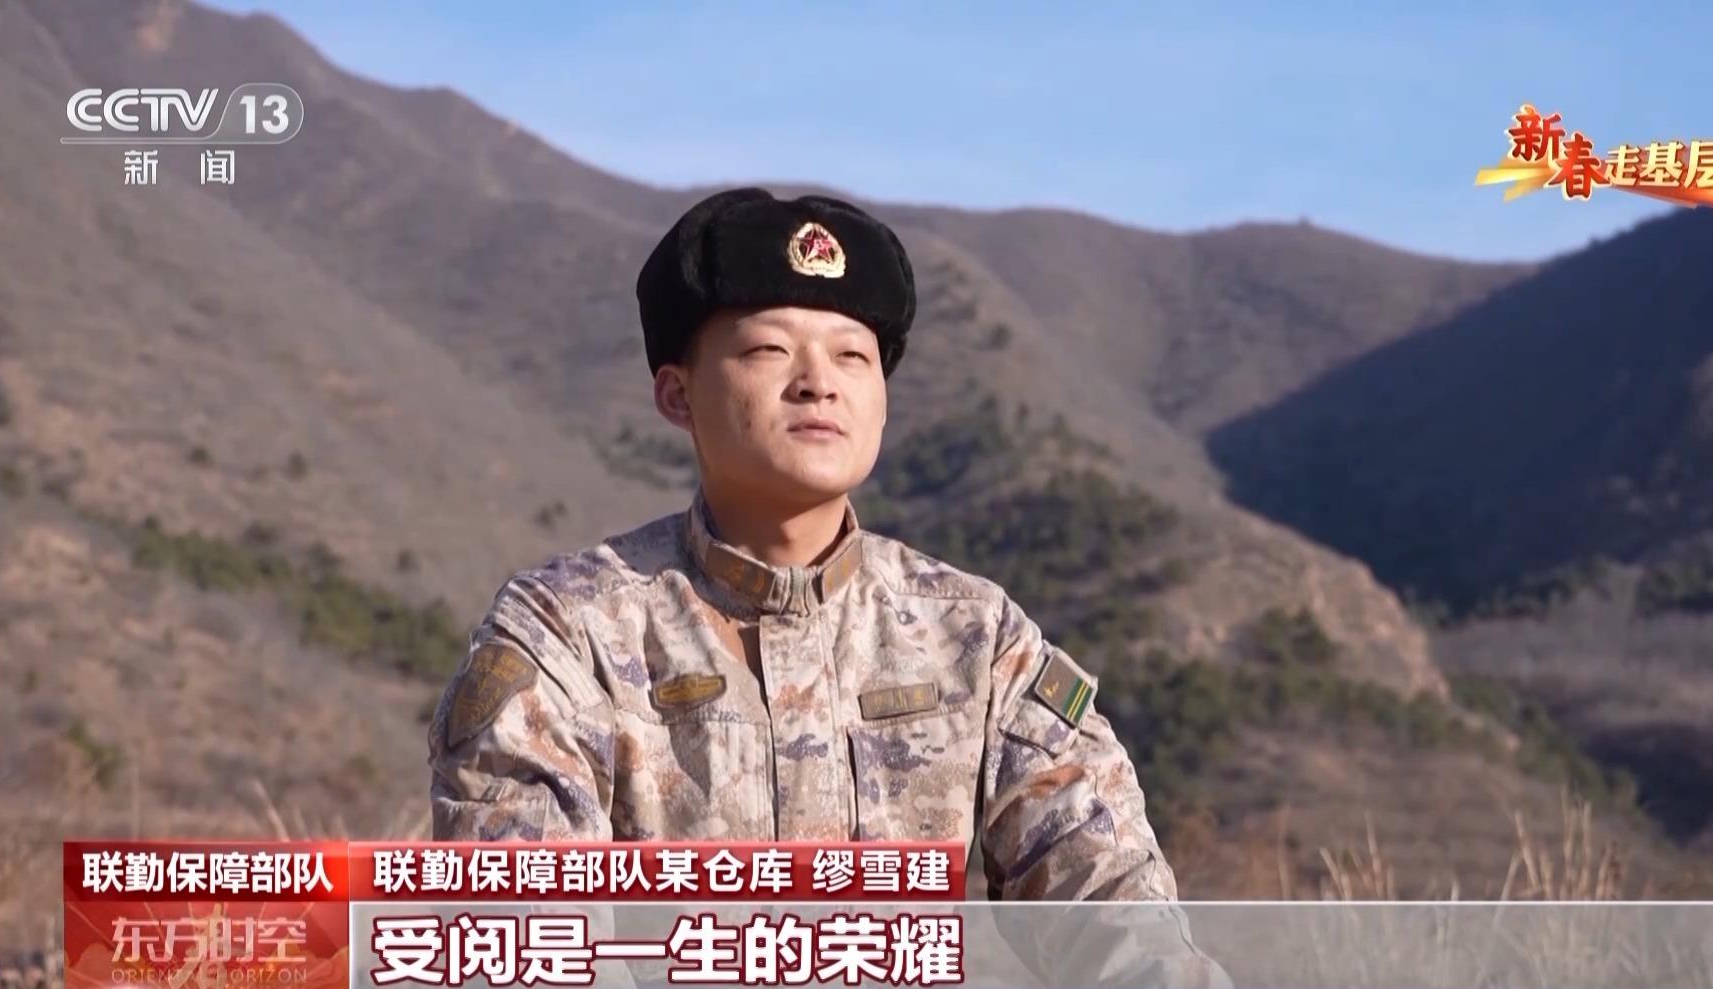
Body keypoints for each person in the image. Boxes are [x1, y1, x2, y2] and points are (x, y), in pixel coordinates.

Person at [427, 186, 1188, 905]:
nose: (819, 383)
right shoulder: (570, 633)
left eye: (852, 356)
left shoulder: (977, 637)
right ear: (678, 394)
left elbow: (1116, 905)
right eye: (769, 350)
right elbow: (523, 930)